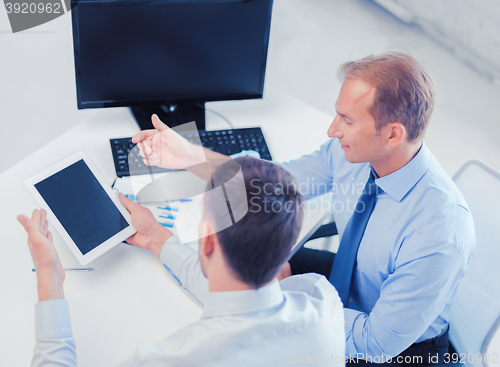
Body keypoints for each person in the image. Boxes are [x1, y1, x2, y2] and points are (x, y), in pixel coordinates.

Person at [134, 52, 476, 365]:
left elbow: (375, 342)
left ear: (392, 134)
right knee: (241, 267)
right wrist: (190, 155)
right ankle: (157, 240)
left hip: (397, 351)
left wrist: (279, 300)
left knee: (247, 298)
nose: (332, 129)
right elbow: (270, 186)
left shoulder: (439, 234)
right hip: (352, 281)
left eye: (347, 120)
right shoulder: (355, 155)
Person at [18, 156, 346, 367]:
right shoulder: (321, 299)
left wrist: (49, 278)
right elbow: (241, 301)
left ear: (206, 243)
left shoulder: (170, 358)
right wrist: (157, 238)